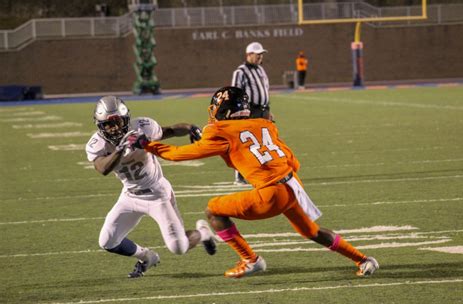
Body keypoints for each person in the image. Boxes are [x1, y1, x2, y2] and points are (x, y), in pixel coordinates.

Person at [142, 87, 379, 279]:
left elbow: (175, 154)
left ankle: (250, 260)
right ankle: (363, 259)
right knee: (312, 231)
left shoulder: (219, 131)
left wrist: (147, 144)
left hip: (271, 194)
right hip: (293, 186)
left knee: (213, 210)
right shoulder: (265, 124)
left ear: (220, 110)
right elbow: (293, 161)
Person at [85, 95, 216, 278]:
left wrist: (190, 128)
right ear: (100, 126)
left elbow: (168, 130)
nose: (113, 128)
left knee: (179, 247)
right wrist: (121, 149)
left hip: (158, 195)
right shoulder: (97, 144)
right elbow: (102, 168)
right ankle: (147, 257)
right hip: (130, 196)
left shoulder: (142, 127)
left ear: (126, 120)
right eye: (108, 124)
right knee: (107, 241)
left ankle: (203, 233)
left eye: (117, 122)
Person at [231, 41, 271, 185]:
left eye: (261, 54)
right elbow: (234, 94)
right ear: (249, 55)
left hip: (262, 110)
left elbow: (265, 90)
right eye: (258, 54)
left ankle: (261, 172)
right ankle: (240, 175)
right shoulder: (240, 72)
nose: (260, 57)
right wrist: (239, 114)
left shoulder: (260, 69)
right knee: (246, 144)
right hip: (249, 111)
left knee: (265, 142)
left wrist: (268, 110)